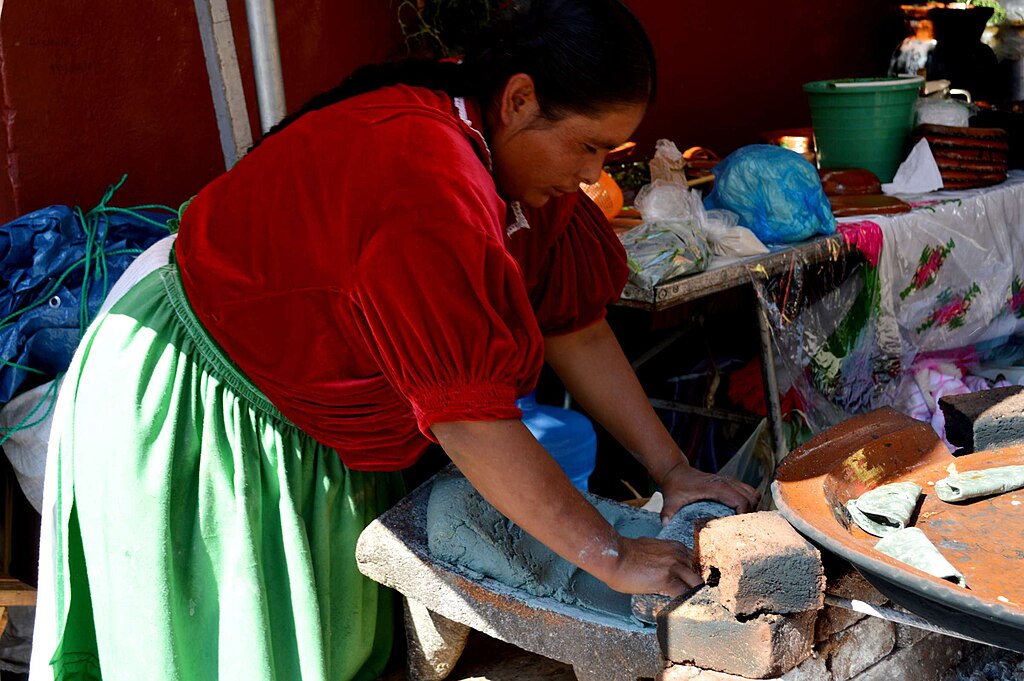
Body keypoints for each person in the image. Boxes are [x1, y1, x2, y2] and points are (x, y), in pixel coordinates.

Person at [30, 0, 759, 679]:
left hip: (310, 412)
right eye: (589, 147)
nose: (594, 174)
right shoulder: (426, 181)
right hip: (203, 396)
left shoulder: (520, 167)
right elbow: (472, 424)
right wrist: (614, 555)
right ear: (518, 101)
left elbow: (575, 324)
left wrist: (672, 470)